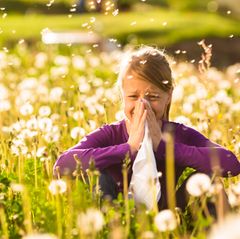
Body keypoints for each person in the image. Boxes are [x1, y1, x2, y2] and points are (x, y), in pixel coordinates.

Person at [54, 46, 240, 210]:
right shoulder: (110, 134)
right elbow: (62, 165)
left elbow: (231, 164)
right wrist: (128, 149)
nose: (143, 105)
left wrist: (165, 147)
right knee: (97, 175)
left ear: (168, 96)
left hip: (169, 215)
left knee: (211, 181)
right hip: (116, 214)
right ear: (122, 96)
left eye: (153, 97)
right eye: (133, 97)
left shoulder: (178, 134)